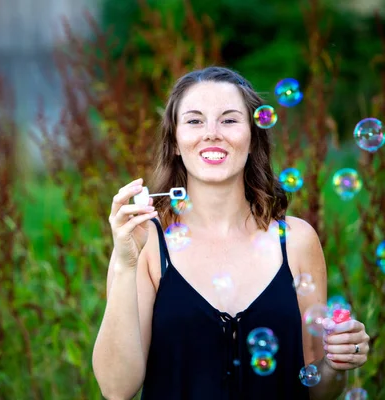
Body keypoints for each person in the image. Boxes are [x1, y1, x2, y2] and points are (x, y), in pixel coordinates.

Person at [91, 66, 370, 400]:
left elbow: (316, 387)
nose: (212, 133)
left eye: (229, 119)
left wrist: (338, 362)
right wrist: (125, 264)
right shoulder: (146, 242)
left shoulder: (295, 241)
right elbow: (116, 389)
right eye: (194, 121)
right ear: (176, 142)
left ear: (252, 138)